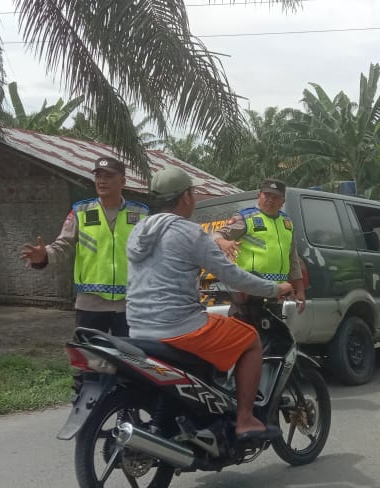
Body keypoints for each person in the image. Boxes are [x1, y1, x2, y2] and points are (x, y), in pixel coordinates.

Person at [126, 167, 294, 442]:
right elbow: (233, 276)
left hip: (137, 328)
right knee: (250, 339)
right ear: (186, 197)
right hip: (180, 326)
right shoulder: (189, 232)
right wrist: (275, 289)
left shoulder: (137, 232)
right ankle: (245, 419)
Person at [20, 157, 148, 337]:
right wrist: (44, 256)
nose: (102, 180)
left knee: (129, 360)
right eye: (98, 176)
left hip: (130, 304)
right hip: (90, 304)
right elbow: (62, 245)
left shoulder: (141, 214)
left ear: (123, 181)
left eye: (109, 176)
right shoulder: (81, 212)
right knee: (90, 360)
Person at [212, 178, 306, 319]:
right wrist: (222, 242)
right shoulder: (245, 218)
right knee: (247, 335)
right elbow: (216, 234)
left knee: (273, 336)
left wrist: (300, 290)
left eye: (275, 197)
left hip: (278, 294)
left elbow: (293, 259)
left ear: (283, 201)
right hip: (249, 293)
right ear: (259, 196)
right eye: (267, 195)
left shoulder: (287, 223)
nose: (270, 200)